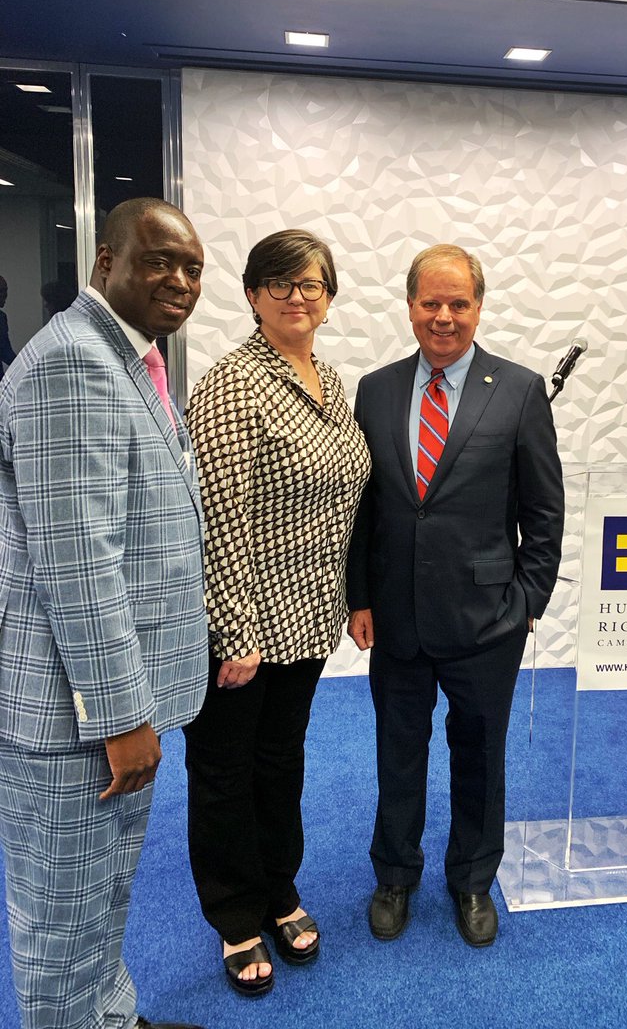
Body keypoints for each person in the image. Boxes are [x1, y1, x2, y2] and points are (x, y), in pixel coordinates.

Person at [0, 197, 208, 1029]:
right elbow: (79, 560)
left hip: (106, 703)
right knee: (61, 920)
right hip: (73, 714)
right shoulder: (73, 364)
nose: (181, 280)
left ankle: (111, 1020)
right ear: (105, 264)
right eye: (160, 261)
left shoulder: (128, 358)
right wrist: (123, 714)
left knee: (105, 893)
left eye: (192, 267)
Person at [347, 244, 565, 947]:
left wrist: (529, 599)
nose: (444, 317)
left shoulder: (521, 389)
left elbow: (544, 510)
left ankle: (472, 878)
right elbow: (366, 508)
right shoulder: (376, 390)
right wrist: (359, 596)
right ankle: (394, 874)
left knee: (479, 754)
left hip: (487, 620)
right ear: (409, 305)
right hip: (399, 614)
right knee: (398, 751)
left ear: (478, 307)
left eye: (458, 303)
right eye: (430, 303)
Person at [183, 229, 370, 995]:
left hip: (306, 619)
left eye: (313, 284)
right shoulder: (233, 383)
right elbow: (218, 517)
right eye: (282, 283)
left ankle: (279, 886)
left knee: (279, 760)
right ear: (254, 293)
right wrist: (236, 632)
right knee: (225, 771)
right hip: (241, 624)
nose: (299, 296)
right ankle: (235, 915)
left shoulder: (328, 379)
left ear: (328, 297)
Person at [0, 274, 16, 373]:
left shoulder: (1, 317)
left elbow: (5, 350)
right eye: (1, 291)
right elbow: (5, 351)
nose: (5, 295)